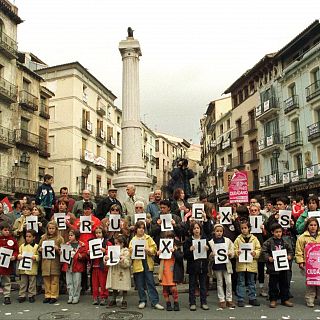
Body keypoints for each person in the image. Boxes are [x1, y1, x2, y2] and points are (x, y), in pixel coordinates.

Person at [129, 220, 164, 310]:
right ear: (136, 229)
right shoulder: (133, 240)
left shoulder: (148, 238)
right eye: (139, 228)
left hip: (147, 263)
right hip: (138, 264)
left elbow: (154, 248)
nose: (141, 230)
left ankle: (154, 301)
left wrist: (149, 250)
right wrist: (132, 251)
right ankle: (142, 300)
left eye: (143, 228)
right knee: (140, 284)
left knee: (150, 282)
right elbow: (130, 251)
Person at [262, 223, 294, 308]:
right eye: (276, 232)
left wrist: (290, 256)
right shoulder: (268, 242)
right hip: (273, 268)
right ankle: (273, 299)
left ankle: (285, 299)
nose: (278, 233)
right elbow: (264, 252)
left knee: (284, 283)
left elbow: (290, 250)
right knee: (273, 284)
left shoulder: (285, 242)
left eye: (280, 232)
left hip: (283, 266)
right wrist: (269, 258)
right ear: (272, 232)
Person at [234, 219, 261, 307]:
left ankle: (252, 298)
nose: (244, 230)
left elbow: (258, 249)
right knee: (241, 282)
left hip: (251, 264)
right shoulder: (238, 239)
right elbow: (234, 249)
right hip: (241, 264)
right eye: (242, 228)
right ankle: (240, 298)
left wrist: (255, 253)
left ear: (249, 228)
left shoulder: (254, 239)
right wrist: (236, 253)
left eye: (245, 228)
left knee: (251, 282)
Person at [183, 221, 210, 311]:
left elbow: (210, 253)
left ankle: (203, 302)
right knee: (192, 286)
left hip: (203, 265)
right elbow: (185, 255)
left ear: (200, 229)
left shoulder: (205, 239)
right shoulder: (188, 241)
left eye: (198, 228)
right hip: (192, 266)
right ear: (192, 230)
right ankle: (192, 303)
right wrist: (189, 250)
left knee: (203, 285)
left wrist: (208, 249)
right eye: (194, 228)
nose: (196, 230)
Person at [208, 224, 235, 308]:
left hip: (226, 264)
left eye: (220, 231)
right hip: (217, 265)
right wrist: (211, 255)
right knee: (219, 282)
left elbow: (232, 249)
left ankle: (229, 299)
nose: (219, 233)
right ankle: (222, 299)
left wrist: (231, 254)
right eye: (217, 231)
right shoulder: (211, 242)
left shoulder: (227, 240)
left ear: (223, 232)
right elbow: (208, 255)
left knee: (229, 282)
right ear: (214, 232)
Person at [295, 217, 320, 307]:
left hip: (319, 263)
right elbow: (299, 251)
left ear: (317, 226)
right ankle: (310, 299)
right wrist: (300, 261)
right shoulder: (302, 238)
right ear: (307, 226)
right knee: (311, 282)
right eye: (311, 225)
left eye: (315, 225)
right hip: (308, 264)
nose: (313, 227)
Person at [157, 231, 184, 312]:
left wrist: (174, 251)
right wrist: (157, 254)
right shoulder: (161, 247)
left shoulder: (176, 247)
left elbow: (180, 258)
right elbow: (157, 260)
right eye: (167, 238)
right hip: (164, 269)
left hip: (173, 270)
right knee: (165, 288)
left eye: (170, 238)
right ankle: (168, 303)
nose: (168, 239)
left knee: (173, 288)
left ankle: (176, 302)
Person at [38, 221, 64, 304]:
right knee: (46, 280)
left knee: (54, 280)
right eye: (50, 228)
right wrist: (40, 249)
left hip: (55, 262)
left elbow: (63, 252)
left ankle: (54, 295)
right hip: (45, 262)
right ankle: (47, 295)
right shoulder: (44, 238)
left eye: (53, 228)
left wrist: (57, 249)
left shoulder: (59, 238)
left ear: (56, 229)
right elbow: (38, 247)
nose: (51, 230)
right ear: (47, 229)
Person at [105, 234, 131, 309]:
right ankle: (113, 299)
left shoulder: (126, 251)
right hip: (114, 270)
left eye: (118, 243)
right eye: (115, 243)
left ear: (122, 243)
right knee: (114, 286)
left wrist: (123, 260)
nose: (116, 245)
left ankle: (124, 300)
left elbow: (128, 263)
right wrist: (107, 259)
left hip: (123, 271)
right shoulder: (112, 250)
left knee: (124, 286)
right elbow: (109, 261)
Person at [61, 229, 87, 304]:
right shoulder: (67, 244)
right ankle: (70, 296)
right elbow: (63, 254)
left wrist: (81, 256)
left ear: (76, 236)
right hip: (68, 266)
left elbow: (85, 254)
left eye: (71, 235)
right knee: (69, 282)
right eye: (69, 235)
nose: (69, 237)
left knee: (77, 282)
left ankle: (76, 297)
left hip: (77, 266)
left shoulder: (81, 245)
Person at [90, 226, 111, 306]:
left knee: (103, 283)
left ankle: (104, 297)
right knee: (94, 283)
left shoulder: (107, 242)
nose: (98, 234)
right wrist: (89, 253)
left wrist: (105, 251)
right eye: (96, 233)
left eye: (99, 233)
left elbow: (111, 252)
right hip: (94, 265)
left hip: (102, 266)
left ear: (103, 233)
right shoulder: (92, 242)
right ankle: (95, 297)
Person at [17, 229, 39, 303]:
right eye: (26, 236)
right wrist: (19, 256)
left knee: (32, 282)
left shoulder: (36, 246)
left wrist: (35, 257)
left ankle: (31, 295)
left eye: (30, 236)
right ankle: (22, 295)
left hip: (32, 268)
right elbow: (19, 253)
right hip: (23, 268)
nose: (28, 238)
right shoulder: (22, 246)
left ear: (34, 237)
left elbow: (39, 256)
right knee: (23, 282)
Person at [0, 222, 19, 305]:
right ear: (1, 231)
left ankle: (7, 296)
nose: (7, 232)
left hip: (7, 264)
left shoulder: (12, 240)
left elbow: (16, 250)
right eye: (5, 230)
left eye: (8, 230)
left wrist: (14, 256)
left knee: (7, 280)